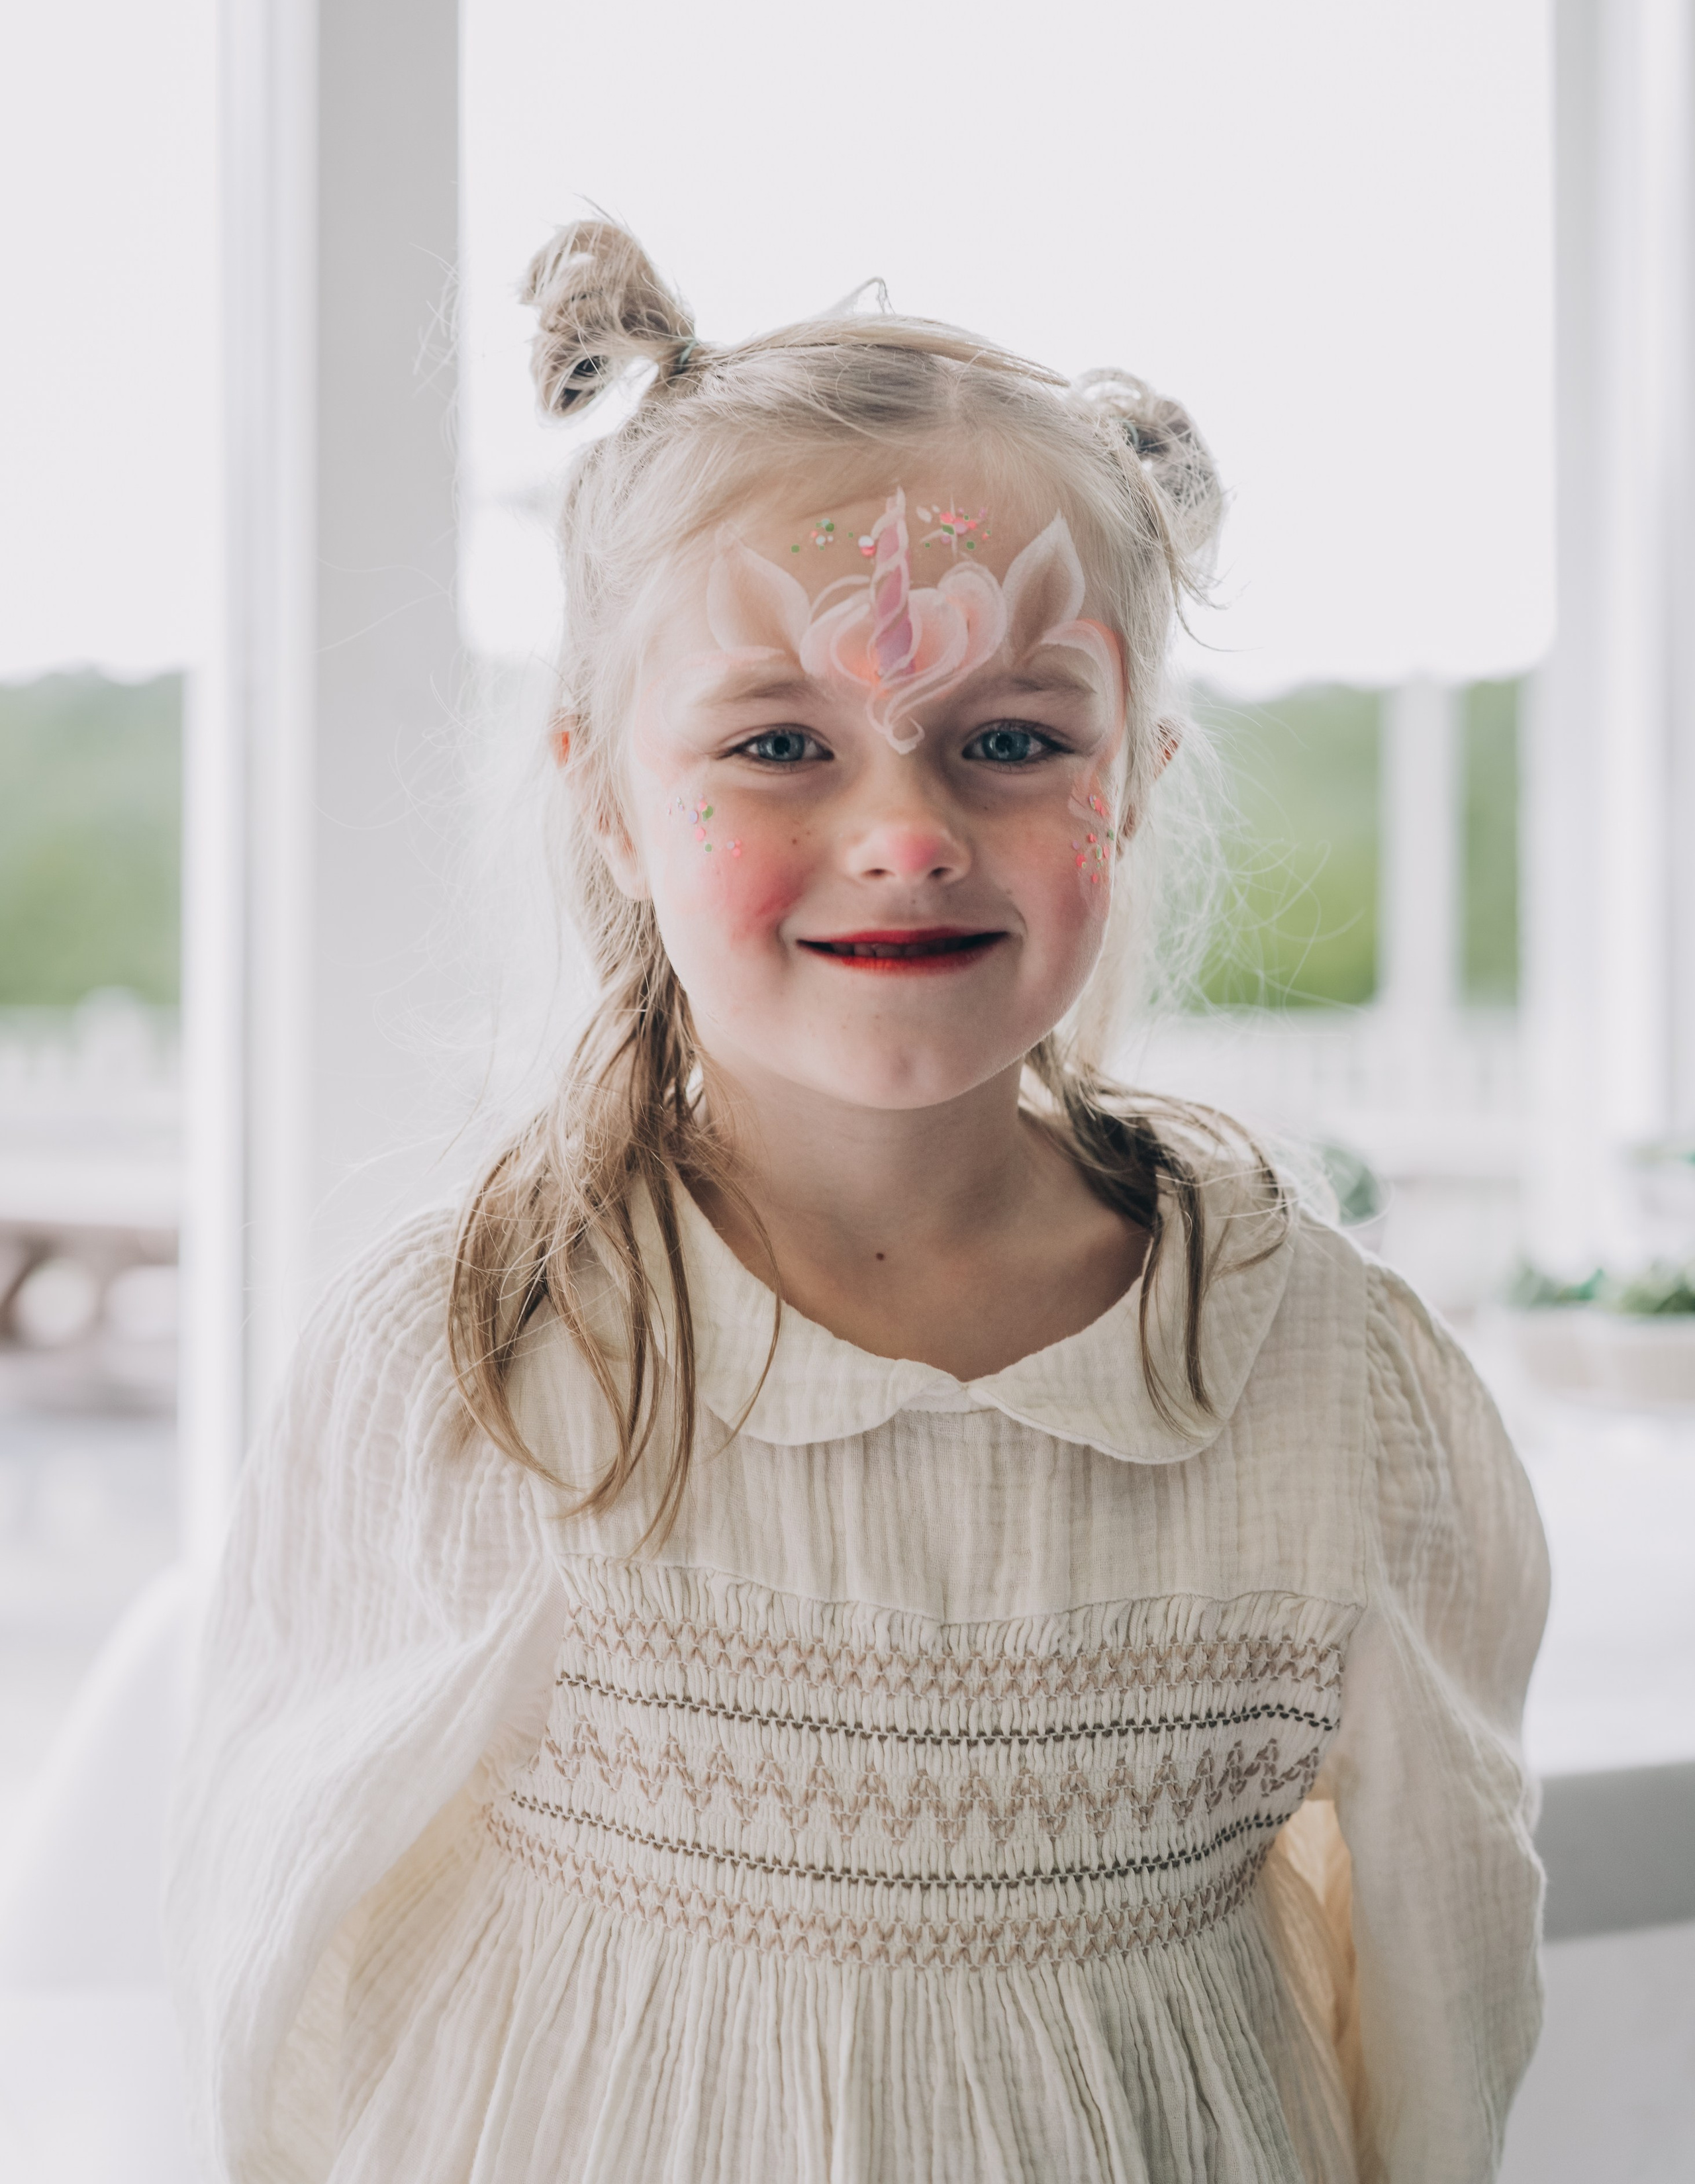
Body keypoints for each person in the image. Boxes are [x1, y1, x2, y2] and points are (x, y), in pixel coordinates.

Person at [165, 223, 1549, 2183]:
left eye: (1009, 741)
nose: (904, 831)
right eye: (780, 745)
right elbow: (285, 1952)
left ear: (1134, 777)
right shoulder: (475, 1361)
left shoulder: (1332, 1388)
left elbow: (1438, 1977)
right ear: (611, 801)